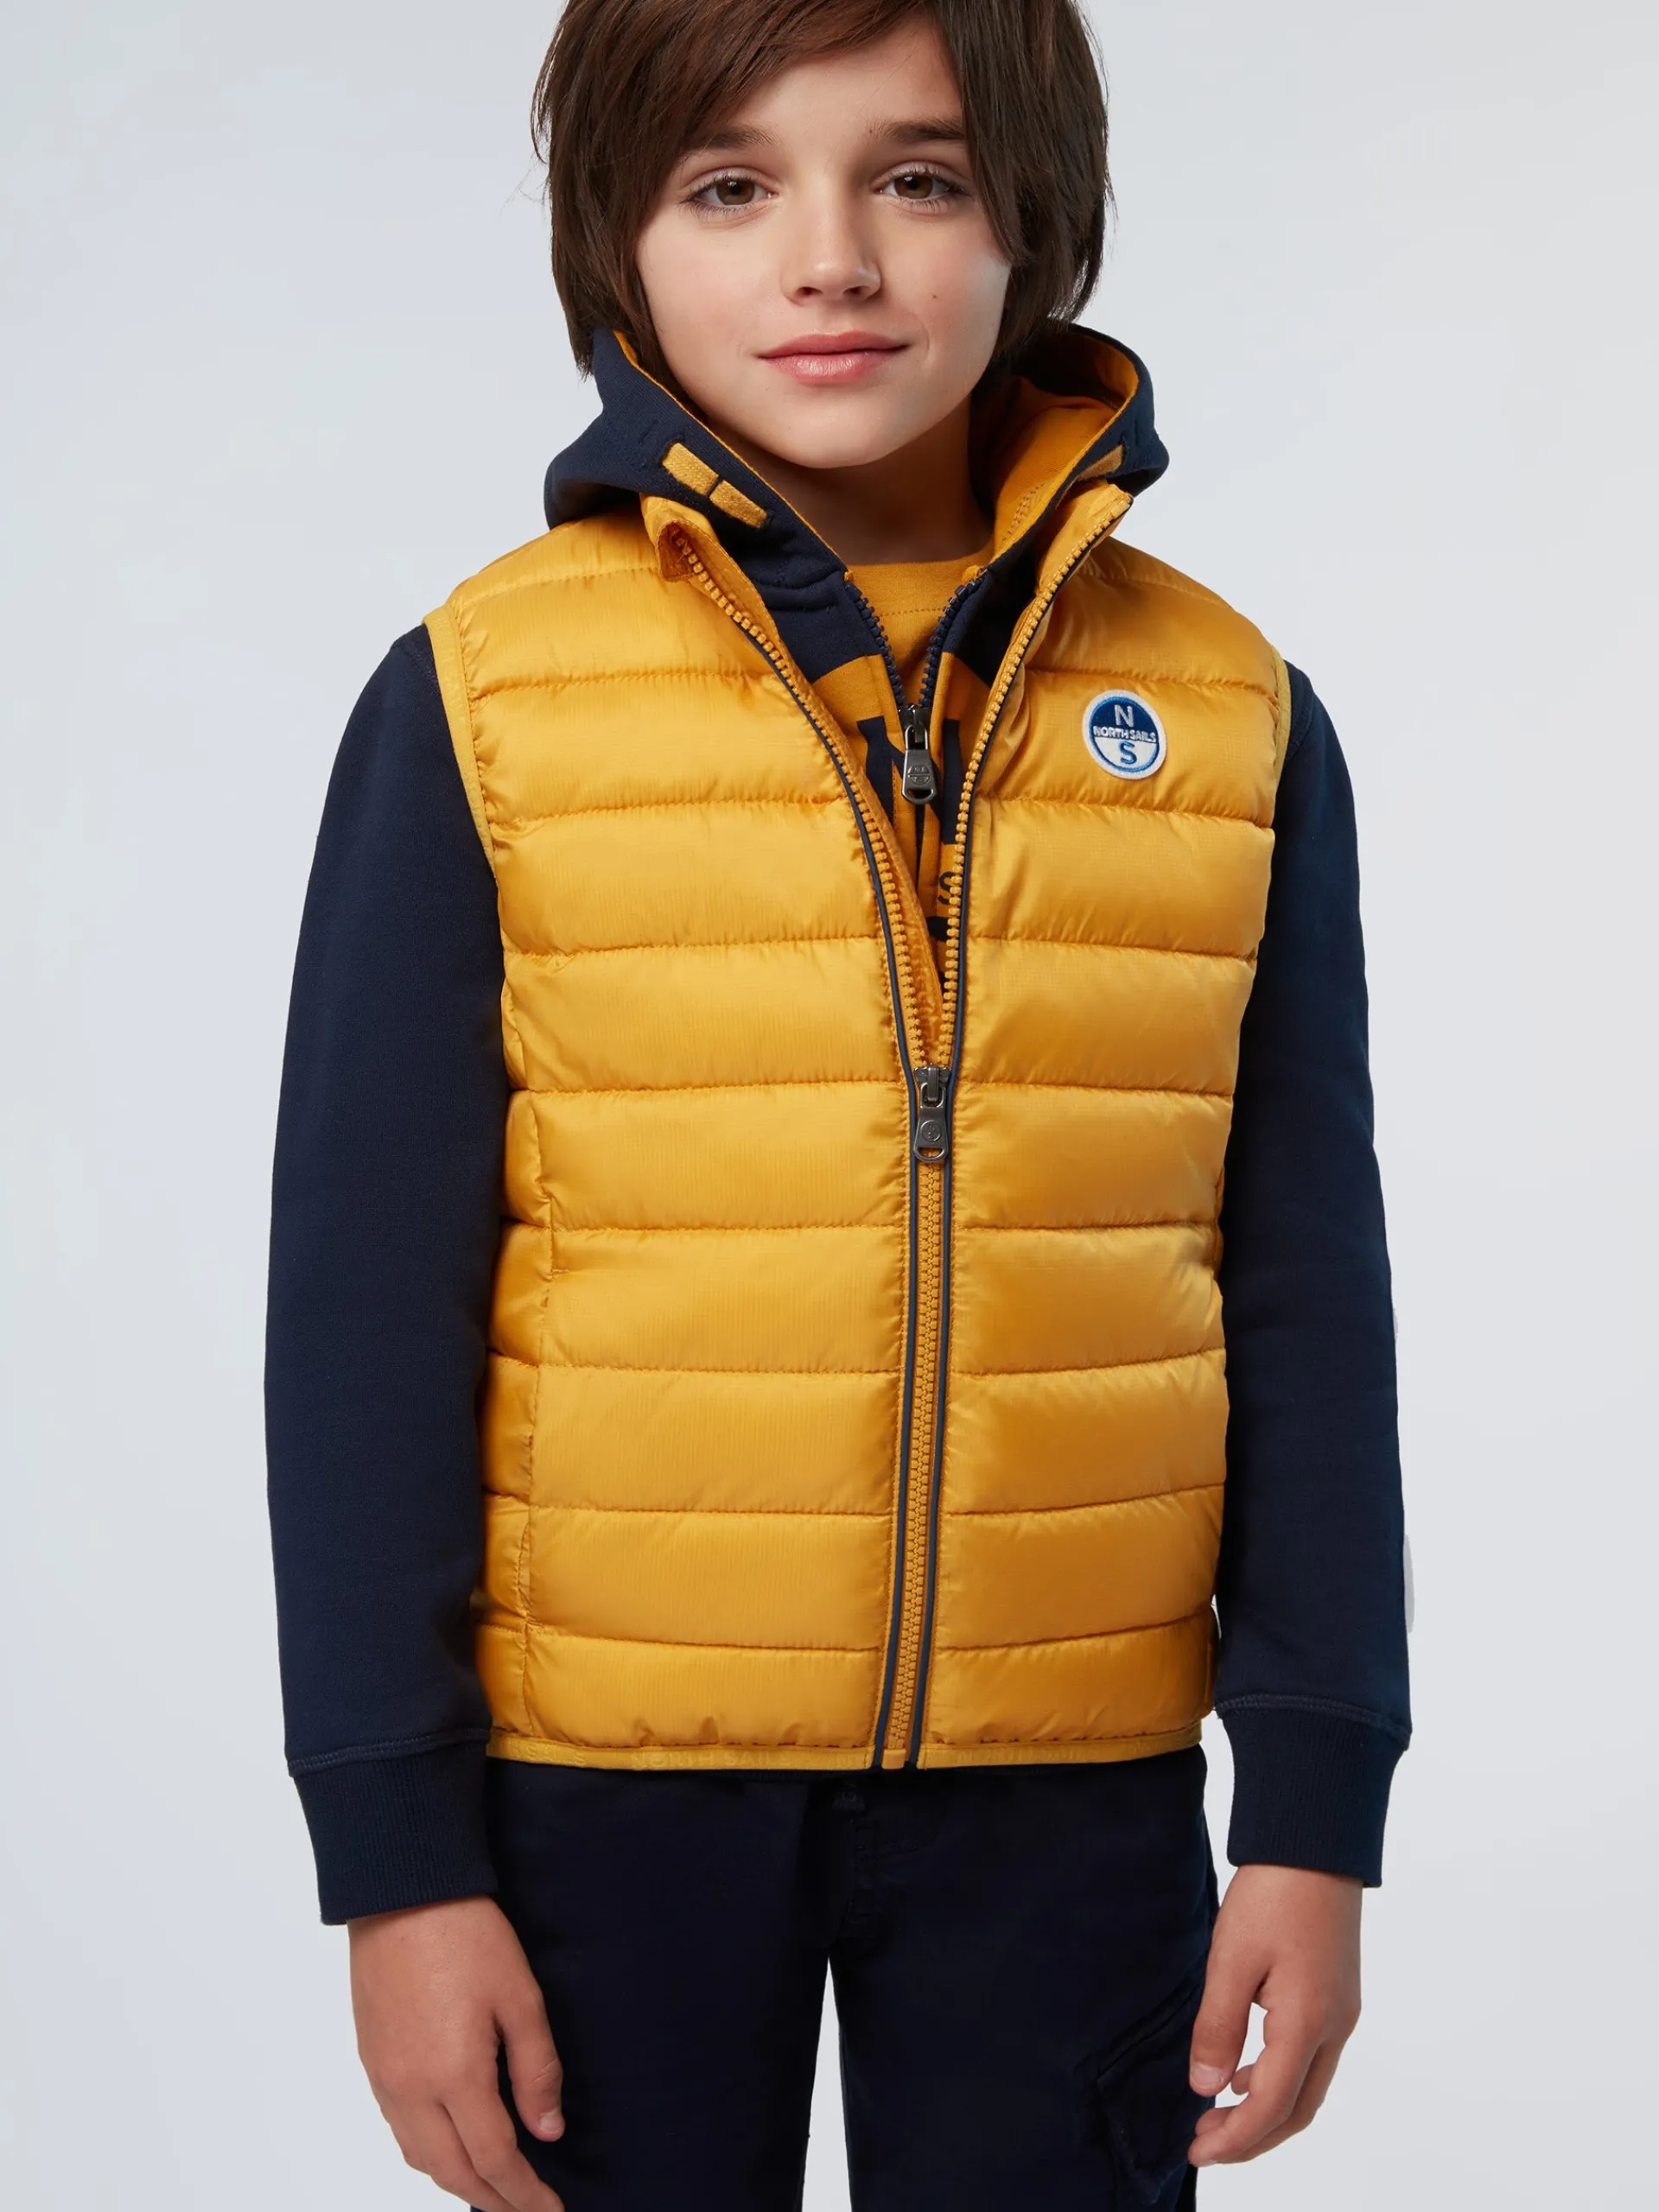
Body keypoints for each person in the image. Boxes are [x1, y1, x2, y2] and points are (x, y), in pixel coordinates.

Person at [265, 3, 1411, 2207]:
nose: (831, 258)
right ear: (617, 236)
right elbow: (363, 1314)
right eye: (730, 183)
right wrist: (394, 1854)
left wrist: (1314, 1796)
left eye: (918, 176)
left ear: (1030, 217)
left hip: (1072, 1787)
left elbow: (1302, 1288)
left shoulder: (1230, 714)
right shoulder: (482, 702)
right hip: (601, 1790)